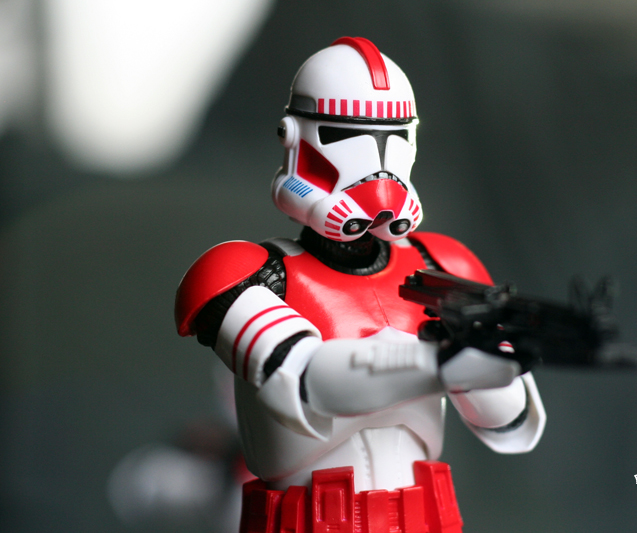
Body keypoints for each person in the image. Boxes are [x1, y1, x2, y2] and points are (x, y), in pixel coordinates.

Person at [175, 37, 545, 533]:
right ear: (294, 138)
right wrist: (436, 363)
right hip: (308, 521)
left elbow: (512, 429)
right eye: (345, 136)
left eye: (395, 137)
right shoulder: (244, 273)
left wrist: (490, 365)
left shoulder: (443, 263)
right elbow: (304, 380)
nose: (377, 162)